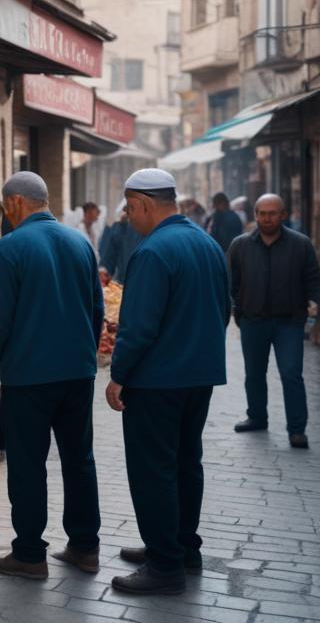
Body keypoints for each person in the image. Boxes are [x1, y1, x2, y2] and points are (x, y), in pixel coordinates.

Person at [106, 168, 229, 596]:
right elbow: (224, 309)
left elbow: (137, 327)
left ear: (142, 203)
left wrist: (118, 376)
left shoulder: (153, 251)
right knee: (184, 462)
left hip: (159, 380)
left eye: (128, 207)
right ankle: (181, 547)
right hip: (200, 376)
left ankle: (164, 565)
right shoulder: (208, 243)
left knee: (153, 470)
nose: (127, 215)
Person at [0, 172, 104, 581]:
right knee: (79, 458)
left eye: (4, 207)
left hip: (31, 374)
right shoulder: (80, 243)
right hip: (78, 372)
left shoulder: (9, 247)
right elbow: (96, 310)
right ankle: (86, 547)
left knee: (29, 462)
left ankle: (30, 554)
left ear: (14, 203)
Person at [228, 193, 320, 449]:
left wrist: (315, 307)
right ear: (255, 215)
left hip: (289, 322)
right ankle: (257, 416)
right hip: (253, 321)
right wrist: (239, 309)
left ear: (283, 215)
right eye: (262, 213)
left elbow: (313, 281)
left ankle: (297, 429)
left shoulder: (301, 245)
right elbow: (232, 282)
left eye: (273, 213)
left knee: (291, 374)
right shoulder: (240, 245)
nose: (267, 218)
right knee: (254, 373)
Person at [97, 202, 141, 284]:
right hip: (125, 284)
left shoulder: (159, 230)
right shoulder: (122, 227)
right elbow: (108, 259)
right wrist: (104, 271)